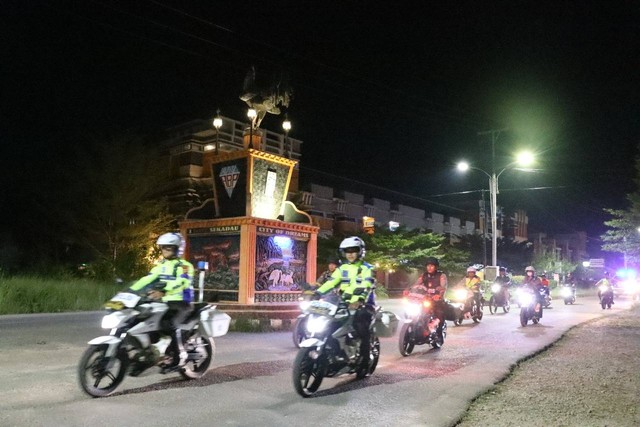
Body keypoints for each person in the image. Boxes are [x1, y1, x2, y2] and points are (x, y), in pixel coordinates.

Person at [129, 232, 195, 371]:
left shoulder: (185, 266)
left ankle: (179, 357)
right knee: (146, 321)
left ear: (178, 249)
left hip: (182, 303)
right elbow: (147, 279)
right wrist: (130, 290)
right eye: (163, 248)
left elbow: (182, 281)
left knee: (168, 325)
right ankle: (153, 354)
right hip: (165, 302)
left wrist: (164, 291)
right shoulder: (161, 266)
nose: (165, 251)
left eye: (169, 248)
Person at [315, 236, 376, 369]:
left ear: (360, 251)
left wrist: (359, 300)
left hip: (363, 305)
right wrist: (317, 293)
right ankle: (338, 355)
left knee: (361, 329)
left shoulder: (367, 268)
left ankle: (365, 361)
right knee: (328, 327)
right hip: (343, 304)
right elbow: (331, 282)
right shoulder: (342, 269)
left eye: (353, 251)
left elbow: (367, 284)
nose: (350, 254)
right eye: (347, 251)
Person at [410, 257, 448, 340]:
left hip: (437, 300)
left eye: (432, 266)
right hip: (425, 299)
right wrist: (408, 290)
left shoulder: (441, 275)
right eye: (428, 266)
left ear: (436, 267)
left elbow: (443, 287)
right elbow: (416, 284)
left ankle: (439, 334)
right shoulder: (423, 275)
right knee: (417, 311)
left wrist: (439, 294)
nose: (429, 267)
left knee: (439, 314)